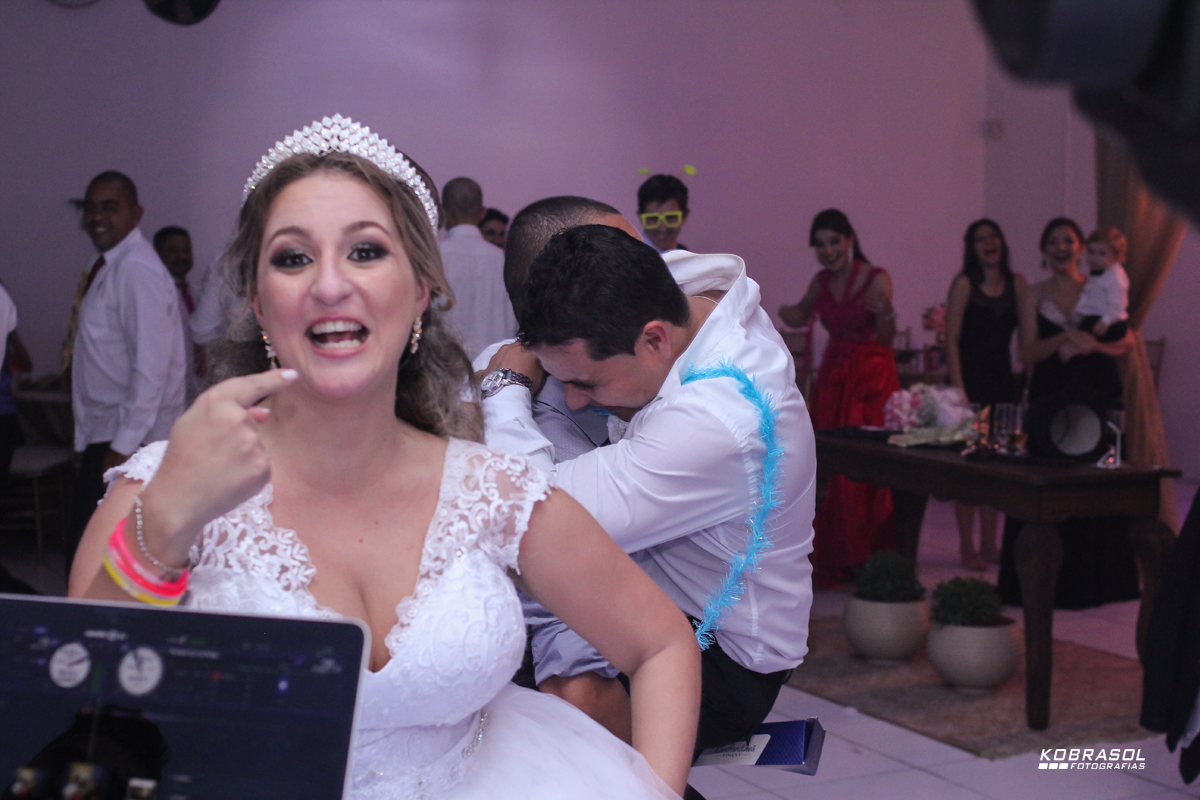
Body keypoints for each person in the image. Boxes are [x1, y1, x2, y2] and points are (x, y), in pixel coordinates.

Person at [67, 117, 698, 799]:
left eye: (365, 251)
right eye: (292, 258)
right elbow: (75, 696)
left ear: (421, 289)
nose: (330, 285)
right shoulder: (166, 482)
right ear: (258, 302)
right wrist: (166, 523)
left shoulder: (492, 490)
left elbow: (660, 643)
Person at [482, 223, 815, 763]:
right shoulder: (672, 291)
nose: (575, 398)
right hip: (654, 577)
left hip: (722, 652)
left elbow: (527, 516)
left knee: (562, 696)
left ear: (656, 340)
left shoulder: (717, 420)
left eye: (588, 382)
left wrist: (505, 391)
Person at [997, 217, 1140, 609]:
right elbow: (1027, 351)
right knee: (1047, 487)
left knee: (1096, 482)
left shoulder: (1102, 284)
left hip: (1097, 390)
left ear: (1081, 248)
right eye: (1053, 242)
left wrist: (1094, 345)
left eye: (1068, 241)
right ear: (1044, 250)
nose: (1061, 247)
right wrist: (1065, 336)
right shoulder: (1033, 293)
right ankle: (1039, 580)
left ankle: (1099, 582)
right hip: (1051, 394)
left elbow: (1127, 340)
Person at [65, 171, 186, 579]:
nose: (96, 217)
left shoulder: (136, 269)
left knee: (99, 563)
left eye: (109, 207)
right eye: (90, 208)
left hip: (129, 440)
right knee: (92, 555)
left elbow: (151, 367)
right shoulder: (106, 265)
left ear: (135, 215)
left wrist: (122, 447)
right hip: (108, 433)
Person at [778, 208, 898, 587]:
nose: (828, 251)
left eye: (834, 242)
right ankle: (840, 552)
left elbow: (887, 336)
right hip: (834, 377)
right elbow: (797, 315)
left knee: (868, 464)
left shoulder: (877, 278)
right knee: (832, 463)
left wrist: (887, 315)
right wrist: (767, 304)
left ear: (850, 240)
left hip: (871, 377)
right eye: (821, 245)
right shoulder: (820, 282)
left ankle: (869, 554)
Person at [944, 219, 1025, 570]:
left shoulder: (1016, 284)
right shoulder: (965, 283)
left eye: (993, 236)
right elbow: (951, 339)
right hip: (970, 382)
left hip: (1002, 383)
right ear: (971, 247)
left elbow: (1026, 335)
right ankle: (966, 545)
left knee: (995, 466)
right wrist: (959, 388)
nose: (988, 243)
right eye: (980, 239)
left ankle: (991, 543)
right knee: (968, 468)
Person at [439, 177, 517, 359]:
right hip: (496, 369)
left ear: (442, 212)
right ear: (482, 213)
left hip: (445, 368)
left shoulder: (433, 257)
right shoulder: (504, 261)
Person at [153, 225, 206, 401]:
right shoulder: (157, 298)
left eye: (186, 250)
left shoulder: (194, 293)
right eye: (173, 251)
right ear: (157, 255)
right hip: (167, 392)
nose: (182, 256)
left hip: (194, 386)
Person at [1076, 227, 1131, 343]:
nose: (1094, 258)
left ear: (1116, 256)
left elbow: (1118, 304)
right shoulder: (1099, 270)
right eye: (1091, 252)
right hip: (1096, 316)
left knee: (1082, 339)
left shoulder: (1115, 277)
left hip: (1112, 322)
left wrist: (1105, 322)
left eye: (1102, 254)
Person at [637, 174, 689, 254]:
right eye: (653, 219)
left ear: (685, 216)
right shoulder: (626, 257)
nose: (662, 228)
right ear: (640, 218)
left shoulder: (686, 256)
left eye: (670, 218)